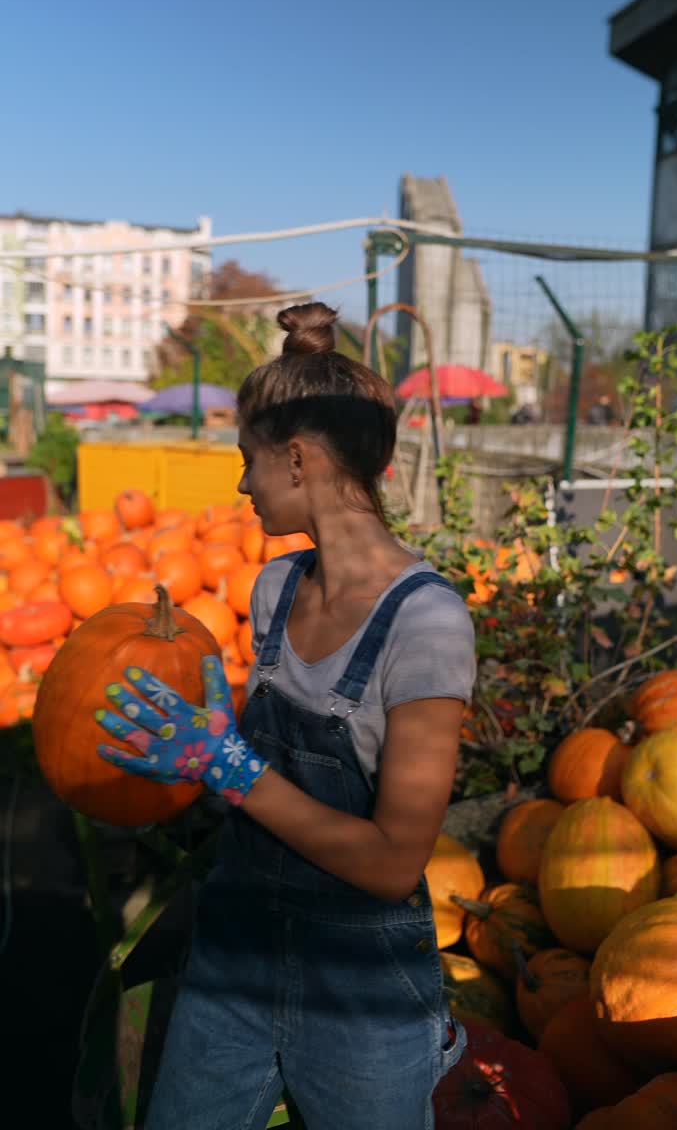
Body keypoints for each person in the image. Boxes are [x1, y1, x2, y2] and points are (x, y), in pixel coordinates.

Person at [95, 301, 476, 1130]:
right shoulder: (273, 588)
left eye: (248, 460)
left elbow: (389, 861)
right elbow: (252, 775)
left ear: (297, 460)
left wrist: (229, 768)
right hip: (234, 954)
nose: (241, 484)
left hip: (361, 989)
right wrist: (185, 763)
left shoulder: (428, 622)